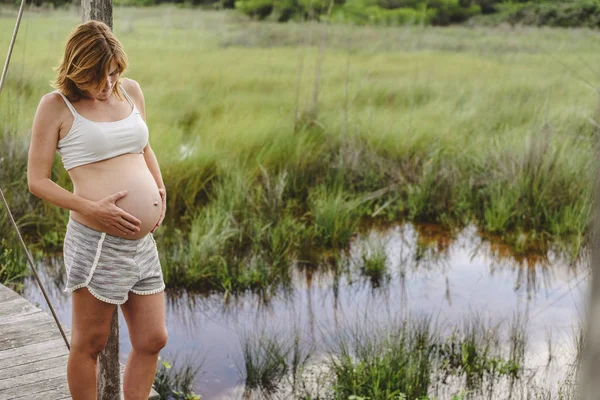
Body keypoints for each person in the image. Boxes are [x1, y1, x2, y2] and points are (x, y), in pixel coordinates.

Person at [26, 20, 168, 400]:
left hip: (142, 245)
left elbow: (142, 145)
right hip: (97, 241)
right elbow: (37, 180)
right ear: (77, 69)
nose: (107, 85)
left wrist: (159, 187)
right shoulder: (56, 106)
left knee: (153, 339)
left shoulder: (131, 91)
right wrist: (93, 208)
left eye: (113, 73)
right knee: (89, 344)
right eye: (97, 77)